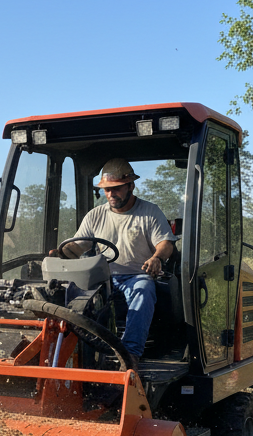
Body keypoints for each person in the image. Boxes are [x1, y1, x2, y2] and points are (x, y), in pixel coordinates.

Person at [58, 157, 176, 372]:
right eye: (107, 190)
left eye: (117, 189)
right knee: (70, 290)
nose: (112, 194)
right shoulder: (95, 215)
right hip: (103, 277)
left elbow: (166, 243)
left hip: (136, 274)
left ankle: (130, 354)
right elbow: (77, 247)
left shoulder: (149, 212)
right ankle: (72, 351)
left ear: (131, 185)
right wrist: (61, 254)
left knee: (144, 288)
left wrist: (156, 257)